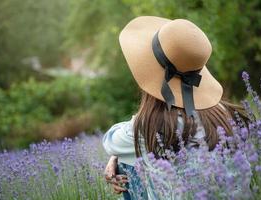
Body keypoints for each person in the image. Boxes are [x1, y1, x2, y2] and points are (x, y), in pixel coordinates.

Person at [102, 16, 250, 199]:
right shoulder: (224, 113)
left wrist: (118, 156)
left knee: (127, 164)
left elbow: (111, 141)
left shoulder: (148, 127)